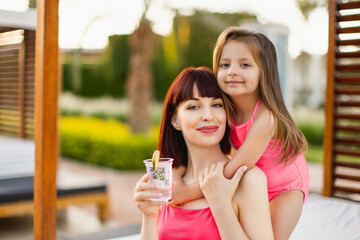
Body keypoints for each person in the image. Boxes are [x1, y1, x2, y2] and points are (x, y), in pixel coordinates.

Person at [170, 28, 309, 240]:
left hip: (286, 186)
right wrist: (175, 172)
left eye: (244, 64)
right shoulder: (224, 108)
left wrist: (187, 192)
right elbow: (195, 146)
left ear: (264, 72)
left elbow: (235, 168)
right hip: (257, 179)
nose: (232, 71)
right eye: (225, 65)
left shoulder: (266, 118)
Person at [133, 67, 273, 239]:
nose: (208, 115)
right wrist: (149, 214)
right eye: (193, 107)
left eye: (216, 105)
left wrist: (220, 204)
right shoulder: (166, 183)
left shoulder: (247, 179)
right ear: (175, 119)